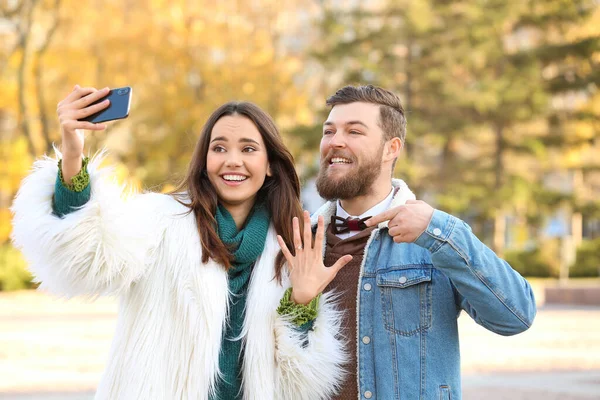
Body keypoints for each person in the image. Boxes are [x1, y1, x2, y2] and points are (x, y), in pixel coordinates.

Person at [11, 85, 351, 400]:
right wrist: (72, 155)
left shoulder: (292, 247)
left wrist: (303, 302)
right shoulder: (160, 221)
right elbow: (85, 252)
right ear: (205, 163)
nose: (233, 160)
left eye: (248, 148)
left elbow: (302, 383)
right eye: (219, 148)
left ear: (271, 166)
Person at [303, 84, 537, 399]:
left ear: (391, 148)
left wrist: (440, 233)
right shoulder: (302, 243)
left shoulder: (435, 240)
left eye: (354, 132)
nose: (336, 142)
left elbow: (516, 315)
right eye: (328, 131)